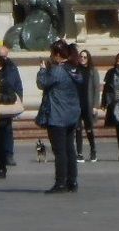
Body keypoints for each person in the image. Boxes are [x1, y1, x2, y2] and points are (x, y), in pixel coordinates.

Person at [37, 39, 82, 193]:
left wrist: (43, 69)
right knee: (70, 148)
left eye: (52, 54)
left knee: (60, 150)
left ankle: (60, 182)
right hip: (71, 114)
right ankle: (72, 181)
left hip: (57, 115)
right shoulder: (73, 69)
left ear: (57, 54)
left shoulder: (57, 70)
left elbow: (42, 83)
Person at [0, 46, 23, 168]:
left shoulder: (11, 67)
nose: (4, 58)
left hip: (6, 103)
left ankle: (8, 154)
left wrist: (20, 100)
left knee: (7, 129)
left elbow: (17, 84)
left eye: (6, 56)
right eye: (2, 56)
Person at [73, 48, 100, 163]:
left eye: (85, 57)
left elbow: (96, 89)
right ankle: (79, 153)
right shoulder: (75, 70)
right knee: (78, 129)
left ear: (88, 58)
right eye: (81, 57)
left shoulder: (93, 71)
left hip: (88, 104)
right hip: (77, 104)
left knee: (89, 129)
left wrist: (95, 105)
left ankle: (93, 150)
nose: (83, 59)